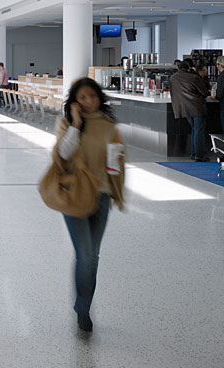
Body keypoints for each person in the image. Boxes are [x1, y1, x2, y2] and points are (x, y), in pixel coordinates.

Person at [54, 77, 126, 333]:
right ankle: (83, 311)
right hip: (74, 197)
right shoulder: (66, 123)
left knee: (93, 257)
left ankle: (83, 304)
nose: (89, 102)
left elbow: (115, 164)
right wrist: (75, 124)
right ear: (75, 101)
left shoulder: (108, 126)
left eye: (92, 96)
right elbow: (63, 154)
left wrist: (117, 191)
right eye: (83, 98)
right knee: (85, 255)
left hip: (101, 197)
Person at [169, 60, 210, 161]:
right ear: (189, 68)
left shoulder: (172, 78)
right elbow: (204, 93)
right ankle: (200, 155)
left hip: (183, 108)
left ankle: (194, 153)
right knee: (199, 131)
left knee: (194, 130)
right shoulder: (194, 78)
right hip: (196, 107)